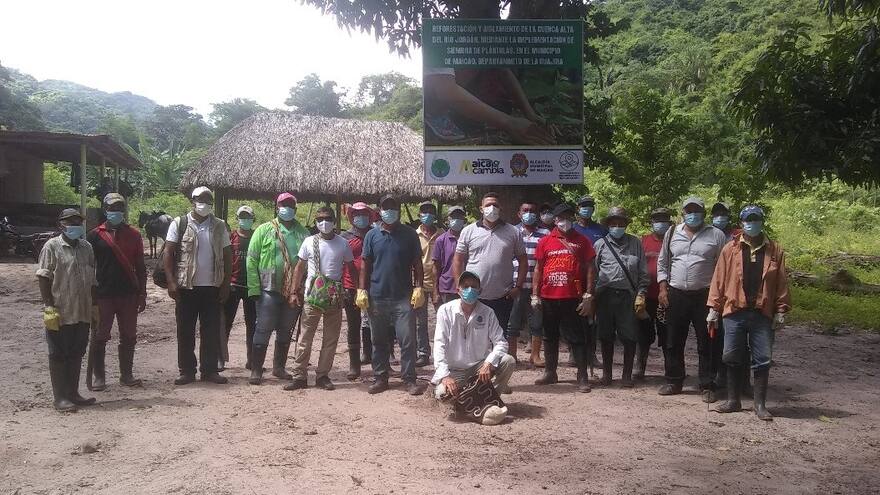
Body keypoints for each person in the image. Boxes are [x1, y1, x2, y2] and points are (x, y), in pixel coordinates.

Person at [709, 206, 790, 421]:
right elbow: (719, 279)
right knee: (731, 356)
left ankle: (760, 405)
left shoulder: (775, 250)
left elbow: (781, 282)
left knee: (763, 358)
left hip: (762, 313)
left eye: (755, 219)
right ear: (742, 222)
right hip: (734, 311)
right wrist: (713, 309)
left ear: (762, 221)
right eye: (747, 219)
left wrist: (781, 309)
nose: (751, 223)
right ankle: (733, 400)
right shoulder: (730, 248)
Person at [657, 197, 728, 402]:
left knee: (707, 340)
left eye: (697, 211)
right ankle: (674, 380)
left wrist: (718, 298)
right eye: (689, 211)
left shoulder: (716, 235)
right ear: (682, 213)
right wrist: (663, 288)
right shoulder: (672, 233)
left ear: (704, 214)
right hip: (676, 293)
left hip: (705, 295)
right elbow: (663, 263)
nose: (693, 214)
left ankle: (707, 384)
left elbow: (723, 267)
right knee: (672, 339)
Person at [356, 194, 426, 395]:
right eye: (385, 207)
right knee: (378, 340)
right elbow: (365, 265)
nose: (389, 211)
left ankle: (409, 379)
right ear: (379, 211)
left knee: (407, 340)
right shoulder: (371, 236)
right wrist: (362, 290)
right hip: (377, 297)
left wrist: (419, 287)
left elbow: (417, 264)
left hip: (403, 298)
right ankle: (380, 378)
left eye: (393, 207)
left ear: (399, 210)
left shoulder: (409, 234)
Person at [164, 186, 232, 385]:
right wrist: (171, 281)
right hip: (186, 287)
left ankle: (209, 370)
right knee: (185, 330)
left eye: (208, 200)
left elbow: (227, 255)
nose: (205, 203)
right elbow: (169, 252)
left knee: (210, 331)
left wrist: (226, 283)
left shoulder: (219, 225)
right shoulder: (180, 223)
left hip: (212, 286)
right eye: (201, 199)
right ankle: (186, 370)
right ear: (192, 201)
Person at [286, 206, 357, 391]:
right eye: (319, 220)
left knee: (331, 339)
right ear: (316, 223)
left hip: (334, 297)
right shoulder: (309, 242)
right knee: (305, 337)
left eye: (327, 219)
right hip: (312, 298)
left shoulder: (343, 243)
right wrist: (294, 291)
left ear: (334, 221)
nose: (323, 223)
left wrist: (355, 290)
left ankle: (323, 375)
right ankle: (299, 375)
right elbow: (299, 268)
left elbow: (350, 267)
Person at [37, 208, 97, 411]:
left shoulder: (87, 247)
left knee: (77, 352)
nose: (75, 226)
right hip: (61, 311)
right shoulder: (51, 247)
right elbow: (43, 277)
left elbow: (93, 280)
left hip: (82, 311)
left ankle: (73, 393)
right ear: (60, 225)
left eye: (78, 222)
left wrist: (95, 307)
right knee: (58, 353)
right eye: (70, 222)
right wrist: (48, 307)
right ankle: (60, 397)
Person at [453, 192, 527, 359]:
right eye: (487, 205)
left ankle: (496, 371)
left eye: (495, 205)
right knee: (473, 334)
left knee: (498, 335)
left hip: (503, 296)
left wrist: (518, 286)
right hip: (474, 296)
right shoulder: (468, 231)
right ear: (481, 209)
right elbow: (458, 260)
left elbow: (523, 260)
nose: (491, 208)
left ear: (500, 208)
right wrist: (459, 285)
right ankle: (473, 370)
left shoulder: (513, 232)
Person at [532, 203, 596, 393]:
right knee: (549, 336)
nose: (564, 221)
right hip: (548, 296)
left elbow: (591, 268)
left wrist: (589, 294)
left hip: (573, 296)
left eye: (568, 216)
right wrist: (535, 295)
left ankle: (582, 376)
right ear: (555, 219)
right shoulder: (545, 241)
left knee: (577, 337)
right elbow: (538, 268)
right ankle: (551, 373)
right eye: (561, 217)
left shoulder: (582, 241)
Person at [246, 192, 309, 385]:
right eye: (283, 204)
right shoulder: (264, 230)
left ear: (295, 209)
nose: (287, 208)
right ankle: (256, 370)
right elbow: (252, 259)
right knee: (263, 328)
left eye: (290, 205)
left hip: (293, 291)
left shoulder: (303, 233)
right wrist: (254, 288)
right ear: (277, 207)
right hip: (268, 288)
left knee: (286, 329)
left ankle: (279, 367)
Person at [86, 193, 147, 390]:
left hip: (129, 293)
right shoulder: (95, 235)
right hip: (103, 294)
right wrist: (90, 295)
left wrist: (142, 293)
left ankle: (127, 375)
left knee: (129, 335)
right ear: (105, 210)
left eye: (120, 208)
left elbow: (140, 266)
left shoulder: (134, 235)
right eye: (112, 208)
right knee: (99, 336)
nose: (116, 212)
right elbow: (88, 266)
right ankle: (99, 377)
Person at [432, 271, 515, 412]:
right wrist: (445, 376)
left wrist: (489, 363)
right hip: (454, 370)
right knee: (442, 394)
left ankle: (491, 397)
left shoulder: (488, 313)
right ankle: (467, 399)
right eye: (465, 286)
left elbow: (501, 342)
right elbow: (439, 344)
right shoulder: (445, 311)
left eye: (473, 286)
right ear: (458, 290)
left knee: (508, 361)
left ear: (480, 291)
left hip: (479, 367)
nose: (469, 290)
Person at [592, 207, 649, 387]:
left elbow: (643, 272)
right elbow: (593, 272)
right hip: (605, 296)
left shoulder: (635, 243)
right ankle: (607, 375)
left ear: (626, 225)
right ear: (608, 225)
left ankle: (627, 376)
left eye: (621, 224)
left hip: (628, 296)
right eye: (613, 224)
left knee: (629, 337)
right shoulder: (600, 244)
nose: (617, 227)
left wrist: (641, 294)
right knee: (606, 336)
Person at [510, 201, 547, 367]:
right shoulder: (511, 232)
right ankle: (512, 356)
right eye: (525, 210)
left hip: (536, 288)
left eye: (532, 210)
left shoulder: (546, 234)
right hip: (515, 286)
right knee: (512, 322)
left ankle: (535, 355)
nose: (528, 213)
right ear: (519, 213)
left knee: (537, 322)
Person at [341, 202, 375, 380]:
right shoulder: (344, 237)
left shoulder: (376, 234)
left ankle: (374, 359)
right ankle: (354, 366)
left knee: (375, 324)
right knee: (353, 325)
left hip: (373, 285)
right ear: (351, 216)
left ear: (370, 216)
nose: (360, 217)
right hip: (350, 286)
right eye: (356, 214)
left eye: (364, 214)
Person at [637, 207, 673, 379]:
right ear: (651, 222)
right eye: (657, 220)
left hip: (666, 297)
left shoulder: (674, 241)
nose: (660, 223)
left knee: (667, 334)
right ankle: (639, 368)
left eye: (664, 219)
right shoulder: (642, 241)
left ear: (669, 222)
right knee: (643, 334)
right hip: (646, 296)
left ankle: (671, 369)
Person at [221, 205, 257, 371]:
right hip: (232, 286)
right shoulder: (230, 237)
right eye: (242, 217)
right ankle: (220, 359)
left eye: (248, 217)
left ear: (253, 219)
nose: (245, 220)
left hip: (252, 287)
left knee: (253, 326)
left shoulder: (258, 236)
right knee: (225, 323)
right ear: (237, 219)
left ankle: (252, 360)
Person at [415, 201, 445, 367]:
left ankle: (442, 353)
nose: (427, 214)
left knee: (442, 320)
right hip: (419, 284)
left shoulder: (442, 235)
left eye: (430, 212)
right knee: (421, 322)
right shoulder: (414, 234)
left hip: (438, 284)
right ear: (419, 214)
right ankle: (423, 353)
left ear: (435, 215)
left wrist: (437, 289)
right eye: (424, 211)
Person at [432, 206, 466, 305]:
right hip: (447, 288)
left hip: (467, 287)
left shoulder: (469, 237)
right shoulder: (441, 240)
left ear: (464, 220)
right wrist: (435, 290)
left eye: (459, 217)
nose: (457, 219)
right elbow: (436, 267)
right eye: (454, 216)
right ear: (448, 219)